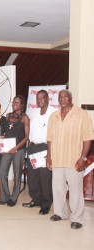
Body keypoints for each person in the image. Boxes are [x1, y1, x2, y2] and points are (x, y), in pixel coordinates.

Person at [47, 90, 94, 229]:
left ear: (71, 98)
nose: (62, 99)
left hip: (74, 160)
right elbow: (49, 139)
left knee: (75, 189)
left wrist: (83, 158)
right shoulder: (54, 116)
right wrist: (49, 157)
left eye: (65, 96)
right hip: (57, 158)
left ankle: (77, 218)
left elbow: (88, 138)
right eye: (60, 97)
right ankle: (60, 213)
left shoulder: (81, 114)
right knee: (58, 188)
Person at [22, 90, 56, 215]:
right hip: (33, 148)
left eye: (42, 98)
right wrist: (29, 143)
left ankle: (46, 204)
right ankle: (36, 200)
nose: (39, 101)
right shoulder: (34, 112)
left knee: (45, 177)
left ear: (47, 98)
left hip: (45, 148)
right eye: (37, 98)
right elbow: (31, 129)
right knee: (33, 177)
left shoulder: (54, 113)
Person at [0, 95, 30, 206]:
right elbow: (5, 133)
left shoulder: (25, 118)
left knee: (17, 173)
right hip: (7, 148)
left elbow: (26, 137)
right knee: (2, 171)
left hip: (19, 149)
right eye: (13, 102)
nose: (14, 104)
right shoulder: (7, 116)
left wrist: (15, 148)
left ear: (22, 105)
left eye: (17, 102)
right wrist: (1, 139)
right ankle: (5, 197)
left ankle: (14, 197)